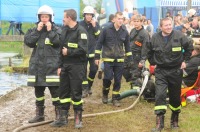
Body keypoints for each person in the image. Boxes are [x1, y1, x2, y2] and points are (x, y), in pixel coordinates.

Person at [141, 17, 193, 131]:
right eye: (166, 25)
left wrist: (186, 61)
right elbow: (148, 51)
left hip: (176, 71)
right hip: (161, 71)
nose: (169, 27)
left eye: (170, 24)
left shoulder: (179, 36)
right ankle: (159, 124)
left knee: (175, 97)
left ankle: (174, 121)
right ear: (161, 27)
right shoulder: (155, 37)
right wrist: (153, 62)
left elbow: (189, 47)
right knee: (159, 95)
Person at [50, 9, 88, 128]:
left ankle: (78, 119)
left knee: (76, 93)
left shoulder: (81, 31)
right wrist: (60, 66)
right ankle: (63, 118)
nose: (63, 20)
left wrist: (69, 52)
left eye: (64, 18)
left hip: (77, 66)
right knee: (63, 92)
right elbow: (60, 50)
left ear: (70, 18)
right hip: (65, 66)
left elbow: (83, 50)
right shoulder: (64, 30)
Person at [24, 5, 61, 123]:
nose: (44, 19)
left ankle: (59, 115)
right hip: (37, 67)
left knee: (55, 92)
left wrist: (50, 31)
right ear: (39, 17)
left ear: (51, 18)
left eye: (46, 17)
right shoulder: (33, 30)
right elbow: (29, 42)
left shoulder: (57, 30)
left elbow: (57, 42)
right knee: (38, 92)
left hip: (52, 67)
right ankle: (40, 115)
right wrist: (37, 31)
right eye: (42, 16)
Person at [95, 12, 132, 107]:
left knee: (118, 80)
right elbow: (99, 43)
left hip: (119, 60)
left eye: (122, 19)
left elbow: (128, 47)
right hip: (108, 59)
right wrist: (96, 57)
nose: (120, 21)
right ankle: (105, 94)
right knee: (107, 78)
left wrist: (130, 59)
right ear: (114, 19)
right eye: (118, 18)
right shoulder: (106, 30)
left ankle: (115, 98)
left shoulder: (125, 31)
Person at [123, 14, 149, 90]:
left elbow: (145, 48)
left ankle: (135, 91)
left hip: (138, 57)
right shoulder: (133, 30)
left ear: (141, 22)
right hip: (129, 55)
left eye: (138, 21)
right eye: (135, 21)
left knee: (135, 74)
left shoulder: (144, 33)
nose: (136, 23)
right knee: (124, 69)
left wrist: (142, 60)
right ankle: (133, 82)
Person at [80, 6, 100, 97]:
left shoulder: (96, 24)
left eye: (90, 15)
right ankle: (84, 89)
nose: (88, 16)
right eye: (87, 15)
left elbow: (99, 37)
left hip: (93, 53)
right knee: (83, 72)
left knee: (93, 70)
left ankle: (89, 86)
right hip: (82, 53)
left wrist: (94, 26)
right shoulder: (80, 24)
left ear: (93, 16)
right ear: (84, 15)